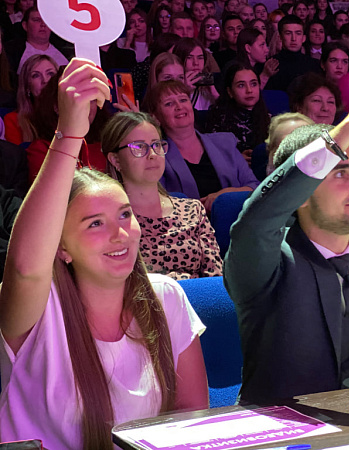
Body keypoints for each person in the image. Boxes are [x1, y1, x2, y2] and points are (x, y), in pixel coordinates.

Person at [0, 59, 208, 450]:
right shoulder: (40, 307)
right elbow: (25, 269)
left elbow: (191, 414)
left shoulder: (167, 296)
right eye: (95, 223)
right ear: (61, 247)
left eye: (125, 214)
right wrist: (69, 132)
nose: (120, 233)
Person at [223, 57, 349, 402]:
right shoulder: (266, 265)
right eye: (340, 172)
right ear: (300, 192)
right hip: (288, 429)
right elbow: (257, 219)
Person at [102, 112, 223, 280]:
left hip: (198, 296)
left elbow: (216, 279)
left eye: (156, 145)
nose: (152, 154)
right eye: (139, 147)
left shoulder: (192, 209)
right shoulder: (111, 221)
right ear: (116, 160)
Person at [144, 80, 258, 209]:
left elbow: (254, 187)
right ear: (156, 117)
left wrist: (226, 195)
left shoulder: (224, 143)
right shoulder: (156, 156)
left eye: (183, 100)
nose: (179, 106)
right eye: (169, 103)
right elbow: (158, 203)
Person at [205, 63, 270, 158]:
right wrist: (236, 159)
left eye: (253, 84)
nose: (249, 90)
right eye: (241, 85)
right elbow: (213, 155)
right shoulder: (217, 118)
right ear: (230, 92)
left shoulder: (268, 118)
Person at [4, 55, 57, 145]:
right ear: (27, 86)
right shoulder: (13, 120)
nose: (45, 80)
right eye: (36, 75)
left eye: (50, 73)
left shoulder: (70, 114)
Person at [265, 14, 322, 90]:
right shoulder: (270, 66)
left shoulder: (315, 65)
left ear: (303, 38)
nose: (293, 38)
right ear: (280, 37)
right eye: (288, 33)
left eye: (298, 33)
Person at [5, 8, 69, 74]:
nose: (43, 24)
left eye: (46, 20)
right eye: (37, 20)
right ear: (25, 25)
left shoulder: (65, 52)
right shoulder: (11, 51)